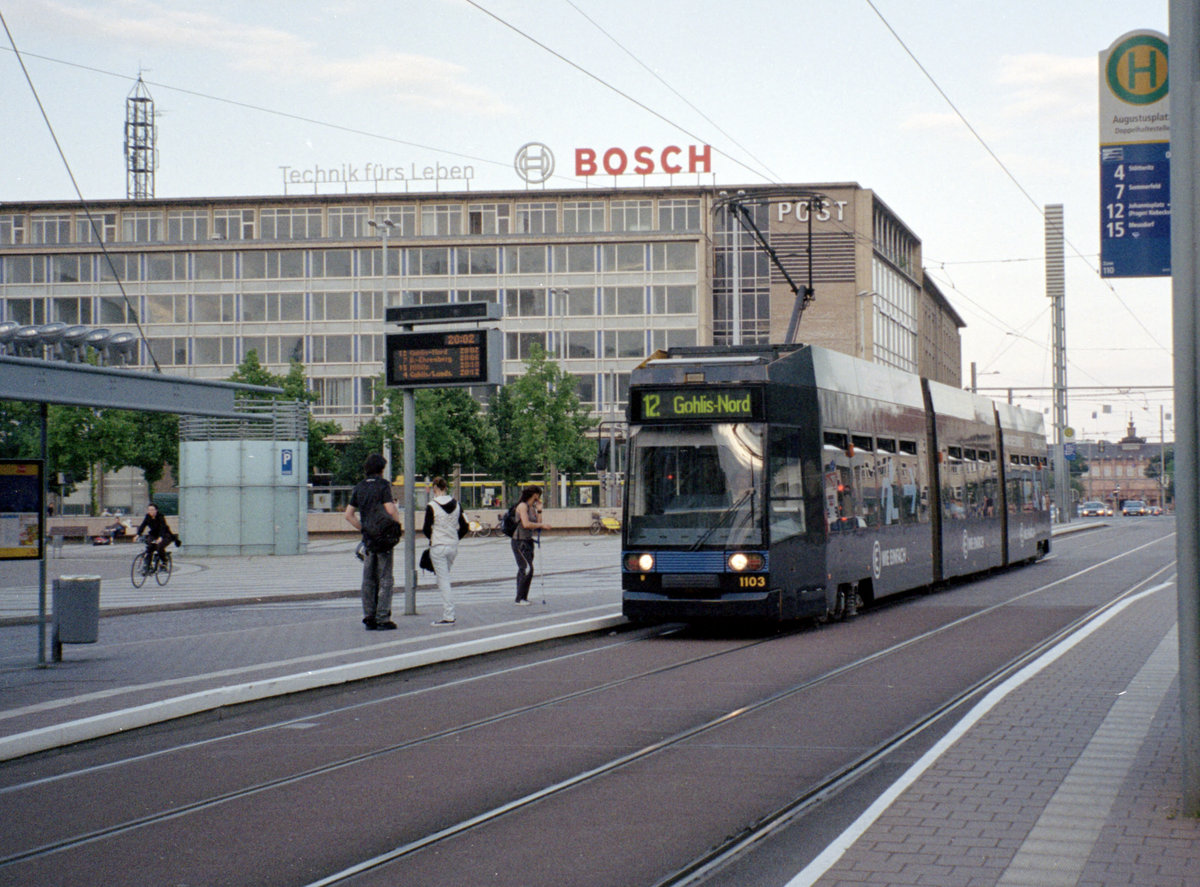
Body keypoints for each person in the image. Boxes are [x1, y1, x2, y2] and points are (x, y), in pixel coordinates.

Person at [344, 454, 401, 631]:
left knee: (368, 578)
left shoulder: (359, 487)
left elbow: (348, 515)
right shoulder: (383, 485)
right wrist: (397, 525)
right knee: (385, 578)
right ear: (381, 469)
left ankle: (369, 616)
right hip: (383, 538)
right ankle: (383, 617)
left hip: (368, 539)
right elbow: (390, 509)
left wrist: (363, 528)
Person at [422, 476, 468, 626]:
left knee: (443, 580)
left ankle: (449, 615)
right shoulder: (457, 505)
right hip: (452, 546)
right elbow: (465, 526)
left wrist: (434, 538)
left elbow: (425, 529)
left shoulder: (431, 506)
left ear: (435, 488)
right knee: (444, 577)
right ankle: (448, 613)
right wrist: (455, 537)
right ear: (446, 488)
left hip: (438, 546)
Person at [511, 485, 551, 606]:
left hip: (528, 541)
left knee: (524, 569)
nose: (539, 498)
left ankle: (523, 596)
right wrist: (542, 525)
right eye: (539, 495)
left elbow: (537, 523)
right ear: (535, 495)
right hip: (519, 541)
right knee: (527, 568)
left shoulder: (531, 507)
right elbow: (526, 524)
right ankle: (519, 598)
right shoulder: (522, 506)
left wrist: (539, 510)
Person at [135, 503, 175, 572]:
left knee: (159, 547)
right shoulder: (148, 517)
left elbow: (163, 527)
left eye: (152, 510)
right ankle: (147, 565)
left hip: (165, 535)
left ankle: (164, 562)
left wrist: (160, 537)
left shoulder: (160, 517)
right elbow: (143, 525)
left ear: (156, 510)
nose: (151, 511)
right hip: (154, 535)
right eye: (149, 510)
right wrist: (138, 534)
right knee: (149, 547)